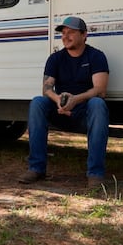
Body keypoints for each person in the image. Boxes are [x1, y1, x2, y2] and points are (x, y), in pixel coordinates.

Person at [18, 16, 110, 188]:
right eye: (63, 33)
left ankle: (95, 174)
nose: (66, 37)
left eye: (71, 33)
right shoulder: (55, 58)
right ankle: (36, 168)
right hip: (60, 111)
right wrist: (59, 100)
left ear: (84, 35)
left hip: (84, 113)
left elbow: (100, 89)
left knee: (98, 104)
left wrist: (76, 100)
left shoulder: (96, 56)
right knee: (38, 102)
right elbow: (46, 89)